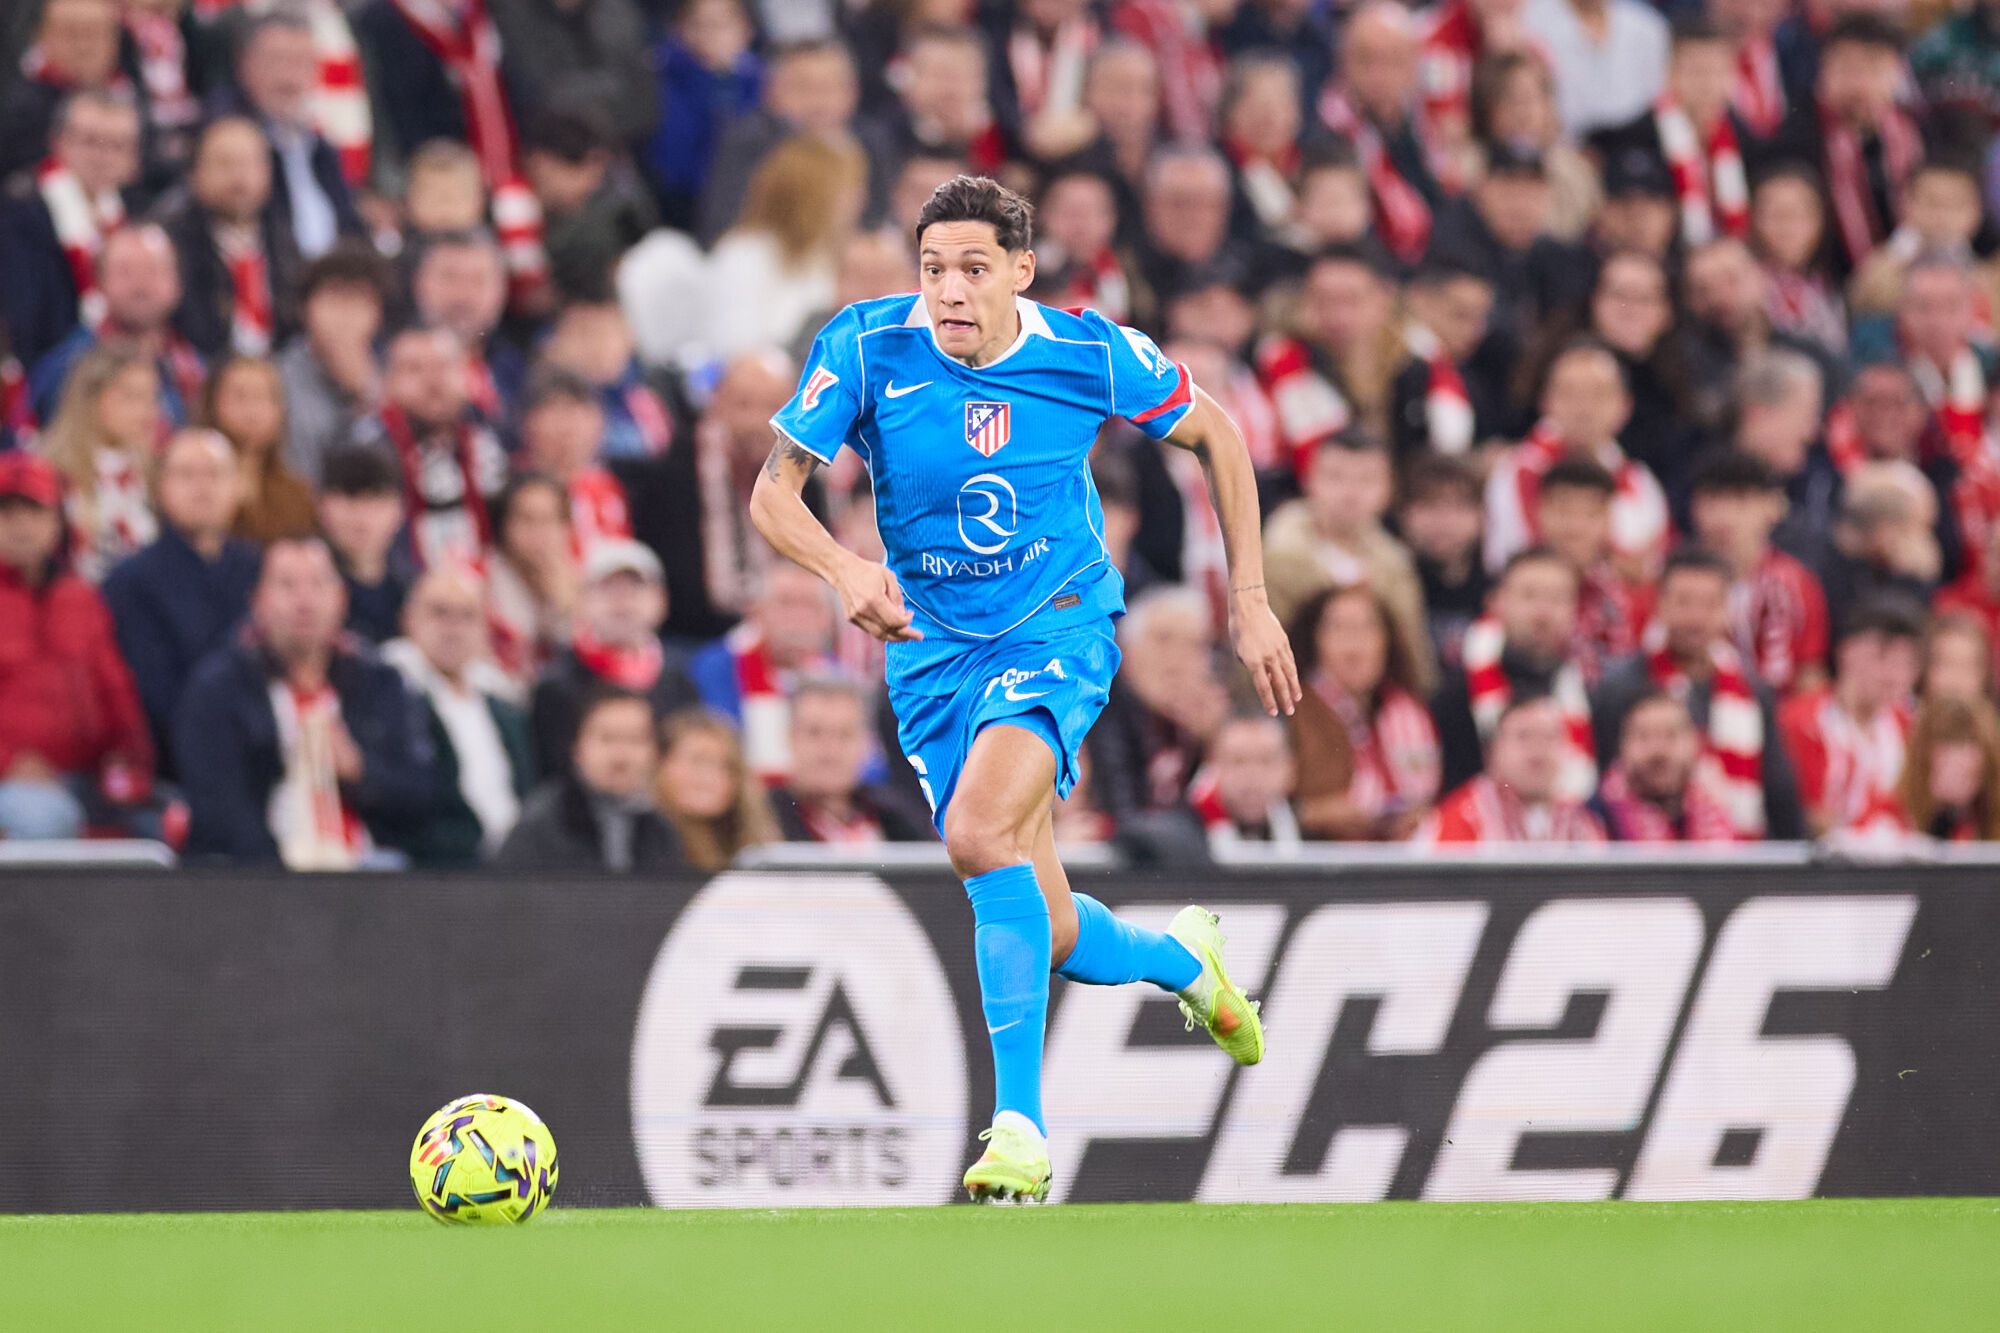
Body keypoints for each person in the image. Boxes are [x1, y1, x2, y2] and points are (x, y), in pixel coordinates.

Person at [749, 175, 1294, 1201]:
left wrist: (1250, 601)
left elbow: (1217, 434)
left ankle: (1019, 1130)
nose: (947, 291)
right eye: (931, 269)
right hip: (926, 650)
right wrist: (843, 569)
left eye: (970, 268)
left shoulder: (1085, 352)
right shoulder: (866, 345)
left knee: (975, 835)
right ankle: (1184, 959)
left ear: (1019, 271)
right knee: (1045, 922)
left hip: (1059, 624)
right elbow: (771, 491)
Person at [173, 535, 435, 867]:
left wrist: (358, 770)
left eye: (318, 584)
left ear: (341, 598)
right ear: (258, 601)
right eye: (287, 585)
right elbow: (219, 812)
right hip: (259, 879)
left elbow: (420, 797)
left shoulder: (381, 681)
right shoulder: (218, 689)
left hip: (370, 873)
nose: (305, 600)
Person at [1592, 547, 1805, 839]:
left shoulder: (1751, 689)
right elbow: (1603, 786)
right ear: (1661, 604)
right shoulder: (1621, 686)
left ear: (1727, 609)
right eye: (1684, 602)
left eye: (1709, 604)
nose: (1696, 617)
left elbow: (1779, 793)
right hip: (1641, 854)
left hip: (1738, 858)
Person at [0, 451, 154, 841]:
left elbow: (115, 689)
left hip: (86, 776)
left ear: (57, 522)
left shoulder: (80, 597)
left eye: (34, 512)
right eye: (7, 513)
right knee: (42, 818)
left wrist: (129, 756)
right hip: (15, 783)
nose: (21, 526)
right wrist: (9, 764)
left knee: (162, 820)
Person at [102, 428, 261, 766]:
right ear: (161, 488)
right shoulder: (131, 582)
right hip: (179, 760)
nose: (203, 487)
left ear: (237, 486)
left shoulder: (262, 569)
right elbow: (154, 700)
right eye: (187, 474)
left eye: (216, 474)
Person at [381, 566, 534, 866]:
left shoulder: (503, 704)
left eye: (467, 616)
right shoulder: (391, 691)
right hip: (436, 867)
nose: (454, 628)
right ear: (409, 619)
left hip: (513, 865)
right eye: (440, 613)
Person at [1263, 432, 1433, 688]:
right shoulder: (1276, 554)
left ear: (1388, 489)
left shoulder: (1395, 565)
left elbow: (1413, 656)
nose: (1350, 492)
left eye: (1366, 479)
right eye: (1336, 477)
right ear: (1310, 480)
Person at [529, 537, 698, 777]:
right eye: (608, 587)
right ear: (582, 600)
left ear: (660, 601)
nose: (622, 601)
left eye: (634, 587)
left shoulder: (680, 677)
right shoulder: (556, 684)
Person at [1433, 545, 1594, 796]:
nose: (1543, 612)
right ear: (1498, 602)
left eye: (1557, 598)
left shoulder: (1589, 693)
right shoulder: (1455, 697)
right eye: (1529, 595)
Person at [1286, 583, 1441, 841]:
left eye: (1366, 628)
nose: (1353, 642)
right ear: (1314, 640)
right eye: (1338, 628)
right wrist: (1323, 814)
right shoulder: (1290, 710)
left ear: (1387, 641)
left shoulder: (1408, 712)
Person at [349, 325, 509, 570]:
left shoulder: (491, 436)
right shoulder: (365, 450)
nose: (434, 382)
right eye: (415, 369)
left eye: (444, 367)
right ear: (387, 382)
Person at [0, 88, 141, 365]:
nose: (103, 157)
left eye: (117, 145)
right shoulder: (20, 214)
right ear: (58, 141)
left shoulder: (134, 216)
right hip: (48, 365)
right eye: (90, 142)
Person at [702, 134, 869, 360]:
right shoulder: (744, 255)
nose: (861, 199)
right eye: (848, 189)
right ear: (812, 196)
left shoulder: (837, 256)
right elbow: (732, 349)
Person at [495, 685, 685, 873]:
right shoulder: (541, 824)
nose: (621, 755)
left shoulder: (661, 829)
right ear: (577, 747)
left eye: (635, 739)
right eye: (607, 738)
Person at [1780, 596, 1924, 837]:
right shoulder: (1800, 722)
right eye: (1881, 657)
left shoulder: (1914, 727)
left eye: (1907, 664)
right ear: (1847, 650)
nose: (1894, 675)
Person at [1690, 450, 1829, 697]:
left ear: (1772, 507)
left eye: (1741, 501)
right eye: (1712, 501)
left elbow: (1809, 675)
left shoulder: (1797, 584)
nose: (1724, 517)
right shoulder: (1674, 580)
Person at [686, 563, 838, 785]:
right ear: (756, 611)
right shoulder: (715, 668)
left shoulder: (838, 678)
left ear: (828, 619)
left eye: (810, 606)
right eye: (785, 603)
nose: (798, 617)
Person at [161, 115, 299, 360]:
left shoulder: (288, 243)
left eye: (250, 163)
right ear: (194, 175)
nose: (239, 178)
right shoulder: (169, 248)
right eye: (225, 164)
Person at [39, 345, 162, 582]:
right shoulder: (49, 471)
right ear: (91, 397)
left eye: (152, 398)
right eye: (132, 397)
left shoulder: (155, 471)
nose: (148, 412)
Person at [1418, 693, 1607, 843]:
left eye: (1549, 737)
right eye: (1523, 736)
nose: (1537, 749)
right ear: (1494, 751)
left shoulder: (1581, 821)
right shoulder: (1465, 815)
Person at [767, 676, 933, 844]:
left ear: (867, 743)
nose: (830, 751)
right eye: (814, 733)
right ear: (790, 737)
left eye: (844, 735)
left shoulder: (898, 818)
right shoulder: (763, 819)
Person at [276, 243, 388, 484]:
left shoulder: (392, 375)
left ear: (377, 314)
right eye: (334, 297)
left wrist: (367, 395)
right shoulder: (276, 378)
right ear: (304, 309)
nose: (345, 314)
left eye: (358, 300)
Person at [1589, 689, 1743, 842]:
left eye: (1671, 735)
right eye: (1644, 736)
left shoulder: (1720, 811)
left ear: (1695, 742)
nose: (1658, 750)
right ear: (1622, 745)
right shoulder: (1594, 820)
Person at [205, 355, 316, 545]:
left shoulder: (297, 494)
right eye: (240, 396)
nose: (252, 410)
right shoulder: (196, 485)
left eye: (263, 397)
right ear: (214, 403)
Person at [485, 473, 578, 699]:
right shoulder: (479, 579)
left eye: (548, 520)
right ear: (505, 524)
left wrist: (564, 605)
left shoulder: (578, 578)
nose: (538, 533)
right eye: (526, 519)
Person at [655, 707, 780, 871]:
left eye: (725, 766)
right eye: (698, 761)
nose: (709, 777)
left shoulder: (758, 854)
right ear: (661, 763)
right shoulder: (637, 841)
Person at [315, 445, 415, 646]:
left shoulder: (414, 591)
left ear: (399, 509)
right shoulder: (308, 589)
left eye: (376, 499)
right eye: (349, 498)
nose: (362, 515)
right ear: (321, 504)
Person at [1865, 695, 2000, 842]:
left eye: (1971, 743)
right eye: (1949, 742)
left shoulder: (1987, 823)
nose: (1964, 759)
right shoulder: (1883, 823)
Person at [1399, 453, 1490, 669]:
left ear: (1481, 516)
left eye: (1459, 507)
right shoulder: (1390, 584)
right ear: (1404, 514)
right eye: (1430, 505)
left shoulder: (1496, 593)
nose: (1445, 521)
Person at [1186, 712, 1302, 854]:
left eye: (1266, 761)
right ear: (1212, 764)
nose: (1252, 777)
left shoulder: (1314, 837)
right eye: (1238, 761)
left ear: (1290, 769)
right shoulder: (1170, 843)